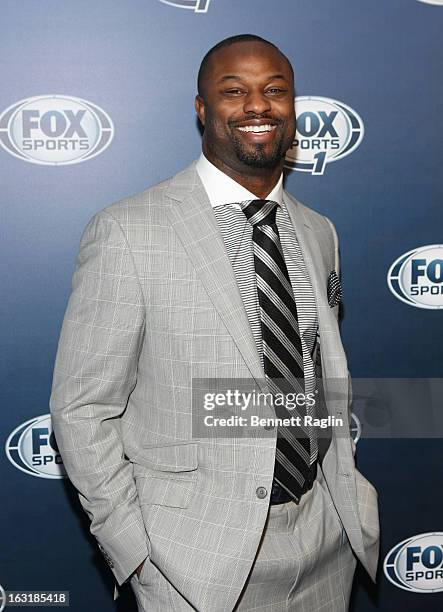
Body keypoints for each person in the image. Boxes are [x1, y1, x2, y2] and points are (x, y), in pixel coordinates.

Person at [49, 34, 380, 611]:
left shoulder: (318, 231)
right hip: (192, 562)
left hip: (326, 543)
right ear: (202, 109)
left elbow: (307, 377)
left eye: (275, 91)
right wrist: (135, 549)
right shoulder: (129, 230)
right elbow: (82, 409)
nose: (257, 105)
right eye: (234, 91)